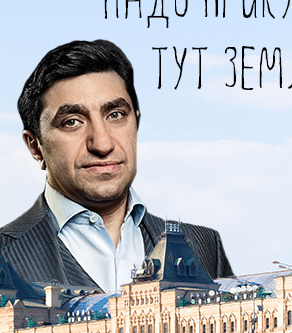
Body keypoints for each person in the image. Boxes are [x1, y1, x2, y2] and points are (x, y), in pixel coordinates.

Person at [1, 40, 234, 292]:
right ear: (35, 146)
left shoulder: (203, 245)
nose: (102, 144)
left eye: (115, 115)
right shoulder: (6, 254)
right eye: (72, 121)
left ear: (136, 122)